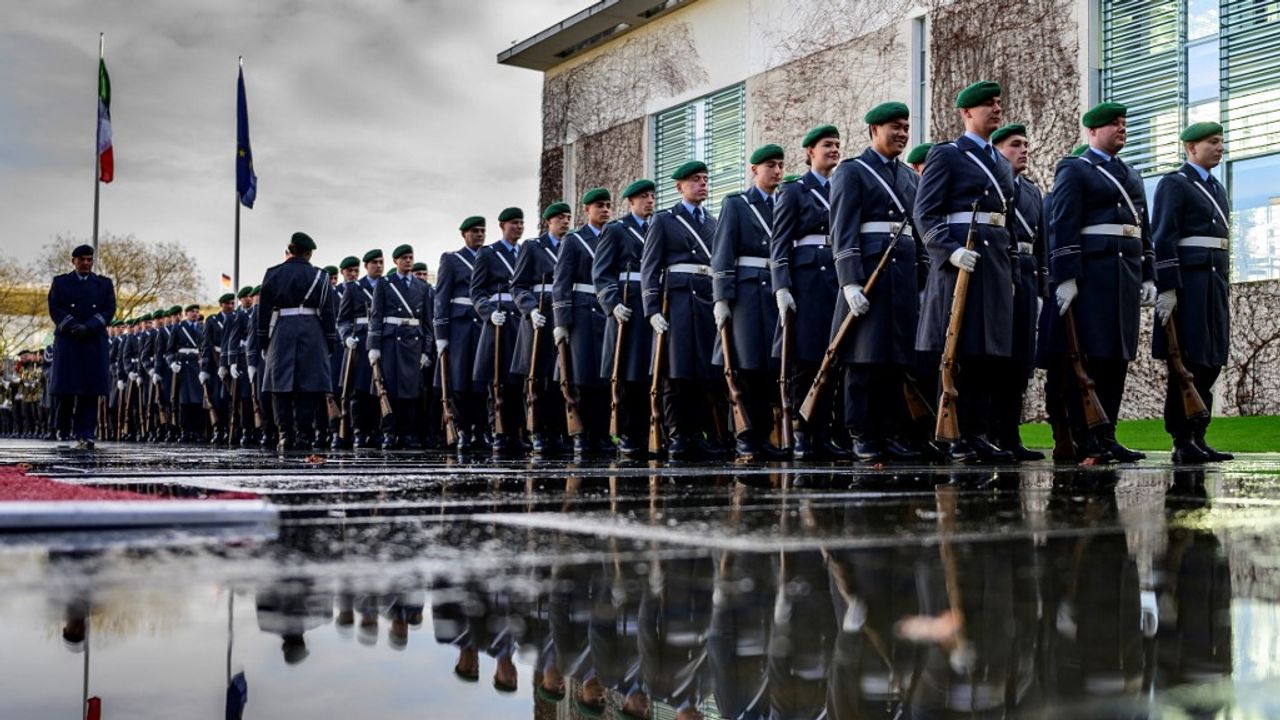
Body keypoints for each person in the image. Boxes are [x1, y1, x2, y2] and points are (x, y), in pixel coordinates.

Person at [914, 80, 1018, 464]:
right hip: (962, 263)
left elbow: (1006, 220)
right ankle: (954, 436)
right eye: (987, 104)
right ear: (966, 113)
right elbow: (924, 212)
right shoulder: (948, 155)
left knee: (988, 354)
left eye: (997, 102)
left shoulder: (1001, 164)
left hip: (994, 264)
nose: (995, 108)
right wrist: (950, 250)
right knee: (960, 352)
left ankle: (977, 432)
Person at [1048, 102, 1156, 463]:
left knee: (1116, 357)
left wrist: (1149, 273)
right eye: (1113, 124)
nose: (1121, 129)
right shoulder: (1075, 168)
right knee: (1089, 358)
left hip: (1125, 277)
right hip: (1092, 277)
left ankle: (1107, 434)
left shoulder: (1132, 174)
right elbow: (1062, 223)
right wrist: (1066, 276)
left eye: (1124, 124)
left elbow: (1144, 229)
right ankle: (1085, 436)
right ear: (1092, 132)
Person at [829, 102, 927, 463]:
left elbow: (917, 232)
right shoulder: (852, 172)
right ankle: (862, 433)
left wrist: (922, 279)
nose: (901, 133)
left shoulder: (910, 177)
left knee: (895, 360)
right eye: (893, 127)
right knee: (863, 360)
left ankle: (890, 432)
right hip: (869, 273)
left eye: (904, 127)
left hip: (900, 276)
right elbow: (843, 230)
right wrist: (849, 281)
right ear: (873, 130)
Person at [1152, 121, 1233, 464]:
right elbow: (1164, 236)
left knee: (1212, 359)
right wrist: (1167, 286)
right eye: (1212, 142)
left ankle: (1199, 434)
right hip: (1189, 283)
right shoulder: (1175, 184)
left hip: (1214, 282)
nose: (1220, 147)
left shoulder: (1216, 188)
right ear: (1190, 148)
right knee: (1187, 361)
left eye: (1221, 142)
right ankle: (1182, 438)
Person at [771, 124, 848, 459]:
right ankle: (802, 433)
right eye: (827, 145)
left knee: (833, 362)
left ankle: (825, 433)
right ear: (809, 152)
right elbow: (779, 243)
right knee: (807, 360)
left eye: (837, 145)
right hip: (807, 280)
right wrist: (782, 286)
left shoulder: (843, 185)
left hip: (837, 276)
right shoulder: (795, 191)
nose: (834, 150)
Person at [641, 160, 725, 459]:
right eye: (694, 180)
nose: (702, 184)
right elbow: (649, 266)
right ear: (679, 187)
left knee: (705, 373)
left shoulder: (714, 222)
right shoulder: (665, 220)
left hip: (705, 296)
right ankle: (677, 435)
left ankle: (700, 433)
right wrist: (651, 308)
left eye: (704, 178)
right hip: (675, 300)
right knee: (676, 373)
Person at [711, 144, 787, 460]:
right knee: (744, 366)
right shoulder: (737, 204)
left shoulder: (783, 202)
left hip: (773, 292)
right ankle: (744, 435)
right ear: (754, 169)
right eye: (771, 165)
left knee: (771, 368)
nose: (778, 172)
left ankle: (766, 435)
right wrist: (721, 298)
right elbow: (723, 251)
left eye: (781, 165)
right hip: (746, 294)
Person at [992, 123, 1048, 460]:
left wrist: (1041, 287)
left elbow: (1040, 244)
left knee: (1020, 361)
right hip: (999, 271)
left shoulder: (1031, 190)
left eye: (1026, 144)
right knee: (996, 358)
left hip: (1026, 273)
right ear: (998, 149)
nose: (1024, 150)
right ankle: (989, 432)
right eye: (1016, 145)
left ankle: (1011, 435)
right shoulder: (991, 184)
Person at [256, 232, 337, 452]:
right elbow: (329, 313)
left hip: (282, 330)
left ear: (289, 250)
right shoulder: (321, 276)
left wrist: (263, 341)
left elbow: (262, 315)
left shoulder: (273, 274)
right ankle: (304, 435)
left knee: (279, 386)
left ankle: (285, 435)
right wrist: (329, 342)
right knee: (308, 387)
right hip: (312, 330)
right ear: (309, 253)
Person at [594, 179, 656, 458]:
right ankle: (629, 433)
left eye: (652, 197)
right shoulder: (617, 230)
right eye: (643, 197)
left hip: (651, 303)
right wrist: (612, 302)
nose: (650, 202)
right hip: (627, 305)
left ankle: (651, 431)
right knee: (629, 372)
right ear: (631, 202)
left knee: (650, 372)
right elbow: (602, 272)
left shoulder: (658, 226)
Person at [553, 188, 613, 456]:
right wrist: (562, 321)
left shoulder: (614, 235)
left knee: (604, 379)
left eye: (608, 206)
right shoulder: (574, 240)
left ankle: (601, 434)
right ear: (587, 210)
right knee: (580, 376)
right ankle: (581, 434)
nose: (605, 210)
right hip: (582, 312)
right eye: (599, 205)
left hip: (606, 312)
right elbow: (561, 282)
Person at [511, 202, 570, 456]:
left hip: (561, 316)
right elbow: (518, 285)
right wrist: (531, 309)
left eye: (568, 217)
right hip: (540, 317)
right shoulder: (533, 247)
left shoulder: (572, 245)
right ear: (549, 222)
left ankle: (557, 431)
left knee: (560, 378)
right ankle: (537, 432)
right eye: (560, 218)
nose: (565, 222)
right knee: (536, 379)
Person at [47, 243, 116, 448]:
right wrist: (72, 325)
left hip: (92, 340)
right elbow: (54, 308)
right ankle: (63, 428)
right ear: (73, 261)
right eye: (82, 259)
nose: (86, 263)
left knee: (89, 391)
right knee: (66, 391)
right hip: (69, 340)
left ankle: (85, 433)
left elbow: (109, 309)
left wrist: (91, 326)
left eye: (89, 259)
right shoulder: (61, 282)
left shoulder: (103, 284)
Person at [367, 244, 433, 450]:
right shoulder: (385, 283)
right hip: (390, 341)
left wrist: (426, 350)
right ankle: (389, 432)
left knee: (411, 392)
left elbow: (427, 322)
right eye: (403, 258)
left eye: (410, 257)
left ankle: (409, 433)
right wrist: (374, 346)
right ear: (395, 261)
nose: (408, 261)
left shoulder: (422, 287)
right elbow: (376, 316)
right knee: (389, 390)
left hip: (413, 341)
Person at [471, 207, 524, 455]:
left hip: (520, 320)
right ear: (502, 225)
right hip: (499, 321)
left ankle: (516, 432)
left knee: (519, 381)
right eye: (514, 223)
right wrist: (488, 312)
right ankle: (499, 431)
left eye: (521, 223)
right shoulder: (488, 254)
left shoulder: (526, 251)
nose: (519, 227)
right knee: (498, 380)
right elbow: (477, 292)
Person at [435, 216, 487, 451]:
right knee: (459, 382)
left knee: (481, 382)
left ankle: (481, 430)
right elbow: (442, 298)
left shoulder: (489, 258)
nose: (479, 235)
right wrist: (441, 334)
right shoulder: (452, 260)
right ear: (464, 234)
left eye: (482, 231)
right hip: (460, 327)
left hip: (482, 326)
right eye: (475, 231)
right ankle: (463, 430)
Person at [337, 249, 384, 448]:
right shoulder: (354, 288)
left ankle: (375, 430)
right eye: (374, 263)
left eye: (381, 262)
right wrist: (347, 337)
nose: (379, 266)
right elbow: (343, 319)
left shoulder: (388, 286)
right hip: (360, 340)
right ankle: (358, 431)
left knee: (377, 389)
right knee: (358, 391)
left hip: (380, 340)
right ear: (366, 266)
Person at [221, 286, 257, 446]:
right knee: (244, 398)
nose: (248, 299)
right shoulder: (237, 316)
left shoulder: (257, 312)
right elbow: (232, 340)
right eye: (245, 297)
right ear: (241, 300)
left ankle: (259, 429)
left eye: (251, 296)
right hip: (242, 359)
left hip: (256, 356)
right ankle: (246, 430)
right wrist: (232, 362)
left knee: (257, 397)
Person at [167, 303, 206, 442]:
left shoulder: (202, 327)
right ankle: (185, 430)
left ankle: (197, 431)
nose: (195, 314)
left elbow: (205, 349)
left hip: (197, 366)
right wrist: (172, 363)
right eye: (192, 312)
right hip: (183, 366)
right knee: (184, 401)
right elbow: (170, 350)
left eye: (197, 311)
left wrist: (205, 367)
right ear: (187, 314)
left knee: (198, 401)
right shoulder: (178, 328)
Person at [201, 293, 236, 444]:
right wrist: (204, 368)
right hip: (216, 363)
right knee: (216, 399)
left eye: (232, 303)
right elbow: (206, 345)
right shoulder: (212, 321)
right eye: (228, 303)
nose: (231, 306)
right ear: (221, 304)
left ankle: (232, 429)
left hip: (232, 361)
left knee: (231, 398)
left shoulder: (236, 317)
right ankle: (218, 429)